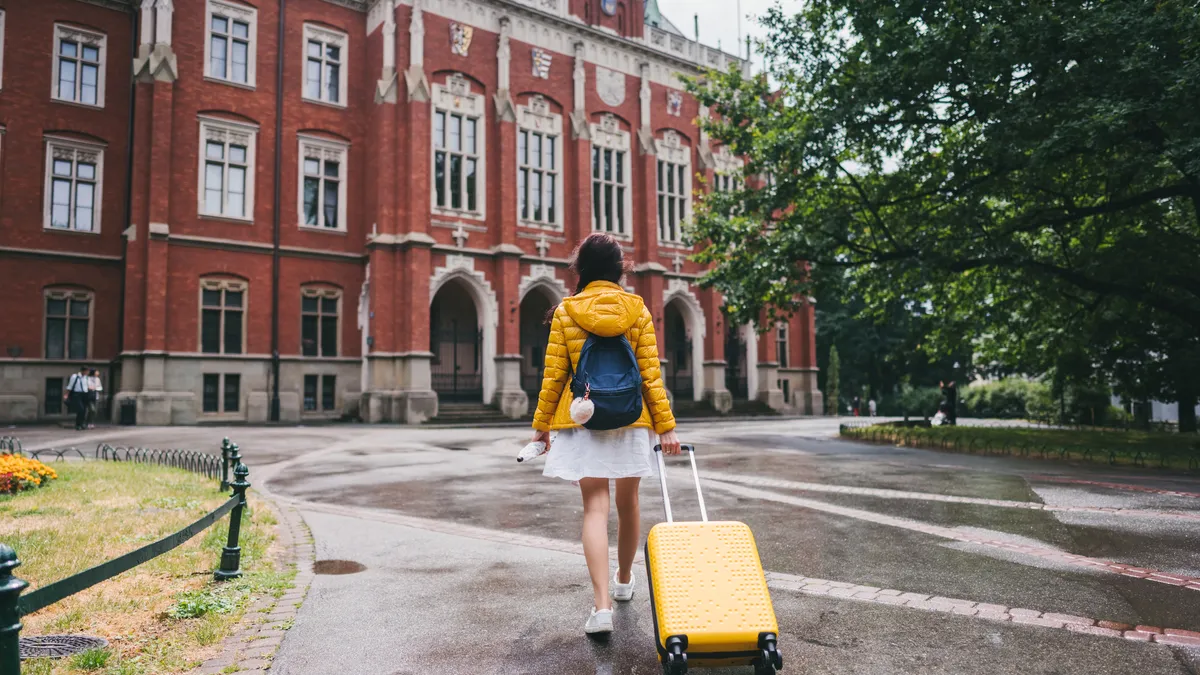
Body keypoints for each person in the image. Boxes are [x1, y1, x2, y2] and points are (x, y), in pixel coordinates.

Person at [530, 232, 681, 637]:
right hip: (632, 417)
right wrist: (665, 427)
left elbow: (554, 376)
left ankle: (600, 609)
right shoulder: (638, 310)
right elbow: (651, 374)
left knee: (595, 508)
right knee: (629, 504)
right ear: (620, 269)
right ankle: (625, 580)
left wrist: (541, 429)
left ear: (581, 269)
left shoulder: (566, 311)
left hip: (584, 417)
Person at [63, 366, 90, 430]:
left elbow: (86, 386)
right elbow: (70, 386)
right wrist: (66, 394)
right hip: (77, 394)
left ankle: (82, 424)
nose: (88, 372)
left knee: (84, 410)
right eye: (87, 371)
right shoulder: (75, 376)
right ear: (83, 371)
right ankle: (78, 424)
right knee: (80, 409)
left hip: (85, 394)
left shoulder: (86, 377)